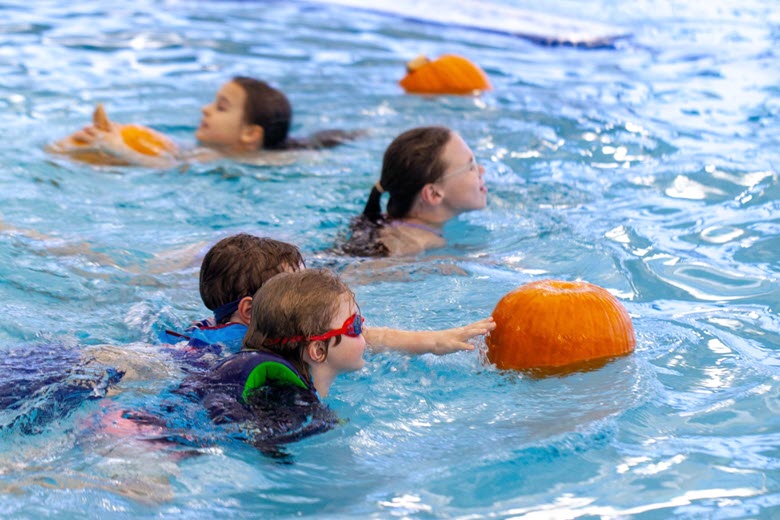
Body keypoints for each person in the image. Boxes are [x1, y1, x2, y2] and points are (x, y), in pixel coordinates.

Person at [159, 233, 495, 357]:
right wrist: (436, 341)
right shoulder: (255, 344)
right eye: (297, 287)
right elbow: (373, 337)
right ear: (250, 311)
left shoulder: (202, 334)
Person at [179, 269, 364, 448]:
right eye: (354, 325)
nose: (364, 328)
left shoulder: (270, 380)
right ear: (318, 350)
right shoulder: (289, 398)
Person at [54, 77, 359, 167]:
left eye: (220, 107)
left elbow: (169, 165)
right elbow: (166, 152)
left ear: (250, 134)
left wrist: (120, 149)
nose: (205, 109)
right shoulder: (208, 153)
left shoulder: (266, 164)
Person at [344, 126, 488, 256]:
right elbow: (350, 276)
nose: (482, 170)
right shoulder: (414, 244)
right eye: (470, 167)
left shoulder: (384, 223)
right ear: (434, 193)